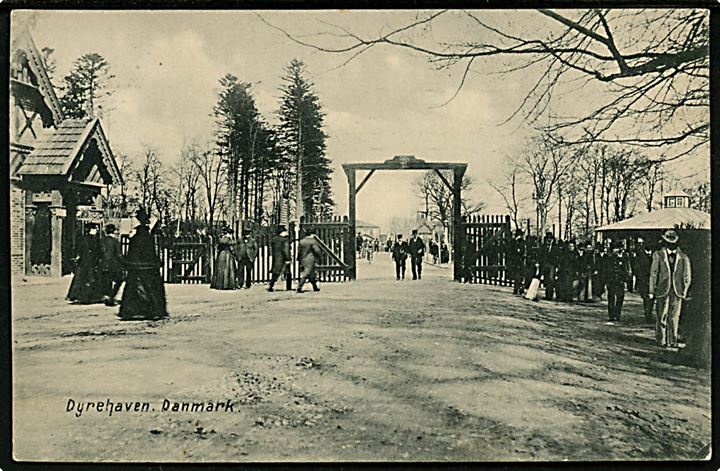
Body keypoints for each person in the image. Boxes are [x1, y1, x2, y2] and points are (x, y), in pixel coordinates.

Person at [119, 208, 168, 320]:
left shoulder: (136, 237)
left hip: (136, 266)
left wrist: (129, 262)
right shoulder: (148, 237)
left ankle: (133, 310)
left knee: (133, 287)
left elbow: (132, 253)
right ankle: (153, 309)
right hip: (148, 267)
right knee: (151, 288)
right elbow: (151, 253)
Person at [649, 229, 691, 350]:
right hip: (662, 289)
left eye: (673, 241)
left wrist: (684, 291)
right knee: (662, 315)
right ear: (665, 242)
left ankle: (672, 340)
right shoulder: (658, 255)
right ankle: (661, 339)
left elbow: (687, 275)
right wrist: (652, 290)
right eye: (668, 241)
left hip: (677, 290)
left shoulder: (683, 257)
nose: (671, 244)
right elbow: (654, 273)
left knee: (674, 317)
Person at [66, 223, 103, 304]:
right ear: (91, 230)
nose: (96, 230)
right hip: (91, 262)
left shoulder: (83, 239)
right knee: (90, 278)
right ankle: (88, 296)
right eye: (95, 229)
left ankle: (75, 295)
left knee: (80, 278)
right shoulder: (95, 239)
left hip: (83, 262)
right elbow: (98, 251)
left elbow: (78, 249)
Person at [604, 240, 631, 322]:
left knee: (620, 297)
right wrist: (606, 281)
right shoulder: (609, 258)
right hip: (611, 280)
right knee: (611, 298)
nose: (616, 251)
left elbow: (626, 269)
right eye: (614, 249)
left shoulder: (624, 258)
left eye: (617, 249)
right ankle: (611, 315)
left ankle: (617, 314)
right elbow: (605, 270)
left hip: (620, 281)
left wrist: (625, 279)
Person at [99, 224, 125, 306]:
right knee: (119, 280)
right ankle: (110, 296)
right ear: (114, 231)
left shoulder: (102, 241)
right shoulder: (115, 241)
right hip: (113, 265)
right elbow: (119, 255)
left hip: (103, 264)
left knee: (107, 281)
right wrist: (124, 263)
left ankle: (106, 295)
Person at [631, 237, 654, 323]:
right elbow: (637, 268)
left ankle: (649, 313)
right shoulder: (640, 256)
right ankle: (648, 315)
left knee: (652, 298)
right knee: (646, 298)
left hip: (653, 280)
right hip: (644, 280)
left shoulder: (655, 255)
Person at [297, 229, 321, 293]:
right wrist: (319, 256)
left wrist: (298, 258)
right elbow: (317, 250)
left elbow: (299, 251)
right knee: (307, 273)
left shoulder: (302, 241)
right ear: (312, 234)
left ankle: (315, 287)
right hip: (310, 259)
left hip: (303, 258)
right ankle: (299, 287)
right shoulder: (312, 241)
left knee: (311, 274)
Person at [267, 227, 292, 292]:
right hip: (283, 259)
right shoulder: (285, 240)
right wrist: (288, 258)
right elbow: (286, 250)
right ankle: (288, 287)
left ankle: (271, 285)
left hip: (276, 258)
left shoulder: (274, 239)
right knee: (288, 273)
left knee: (275, 273)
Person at [539, 231, 559, 300]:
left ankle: (550, 295)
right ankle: (547, 295)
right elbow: (540, 256)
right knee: (546, 279)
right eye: (548, 239)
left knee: (551, 279)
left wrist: (556, 266)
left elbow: (557, 257)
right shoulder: (543, 247)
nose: (549, 240)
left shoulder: (555, 247)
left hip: (552, 265)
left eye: (550, 239)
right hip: (545, 265)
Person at [507, 229, 526, 295]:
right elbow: (510, 251)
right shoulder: (513, 242)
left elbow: (523, 251)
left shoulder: (522, 242)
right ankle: (517, 288)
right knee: (516, 275)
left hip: (520, 260)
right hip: (515, 260)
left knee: (520, 275)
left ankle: (519, 288)